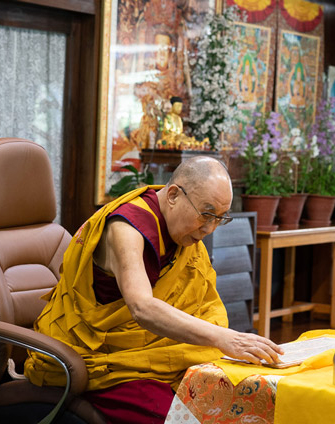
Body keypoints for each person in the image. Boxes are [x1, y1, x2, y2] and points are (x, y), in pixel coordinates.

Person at [25, 156, 283, 423]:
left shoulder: (180, 234)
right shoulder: (127, 228)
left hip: (161, 356)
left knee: (238, 396)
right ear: (173, 195)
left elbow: (200, 303)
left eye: (219, 218)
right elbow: (141, 307)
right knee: (180, 418)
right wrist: (222, 337)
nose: (209, 229)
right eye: (206, 215)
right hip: (111, 362)